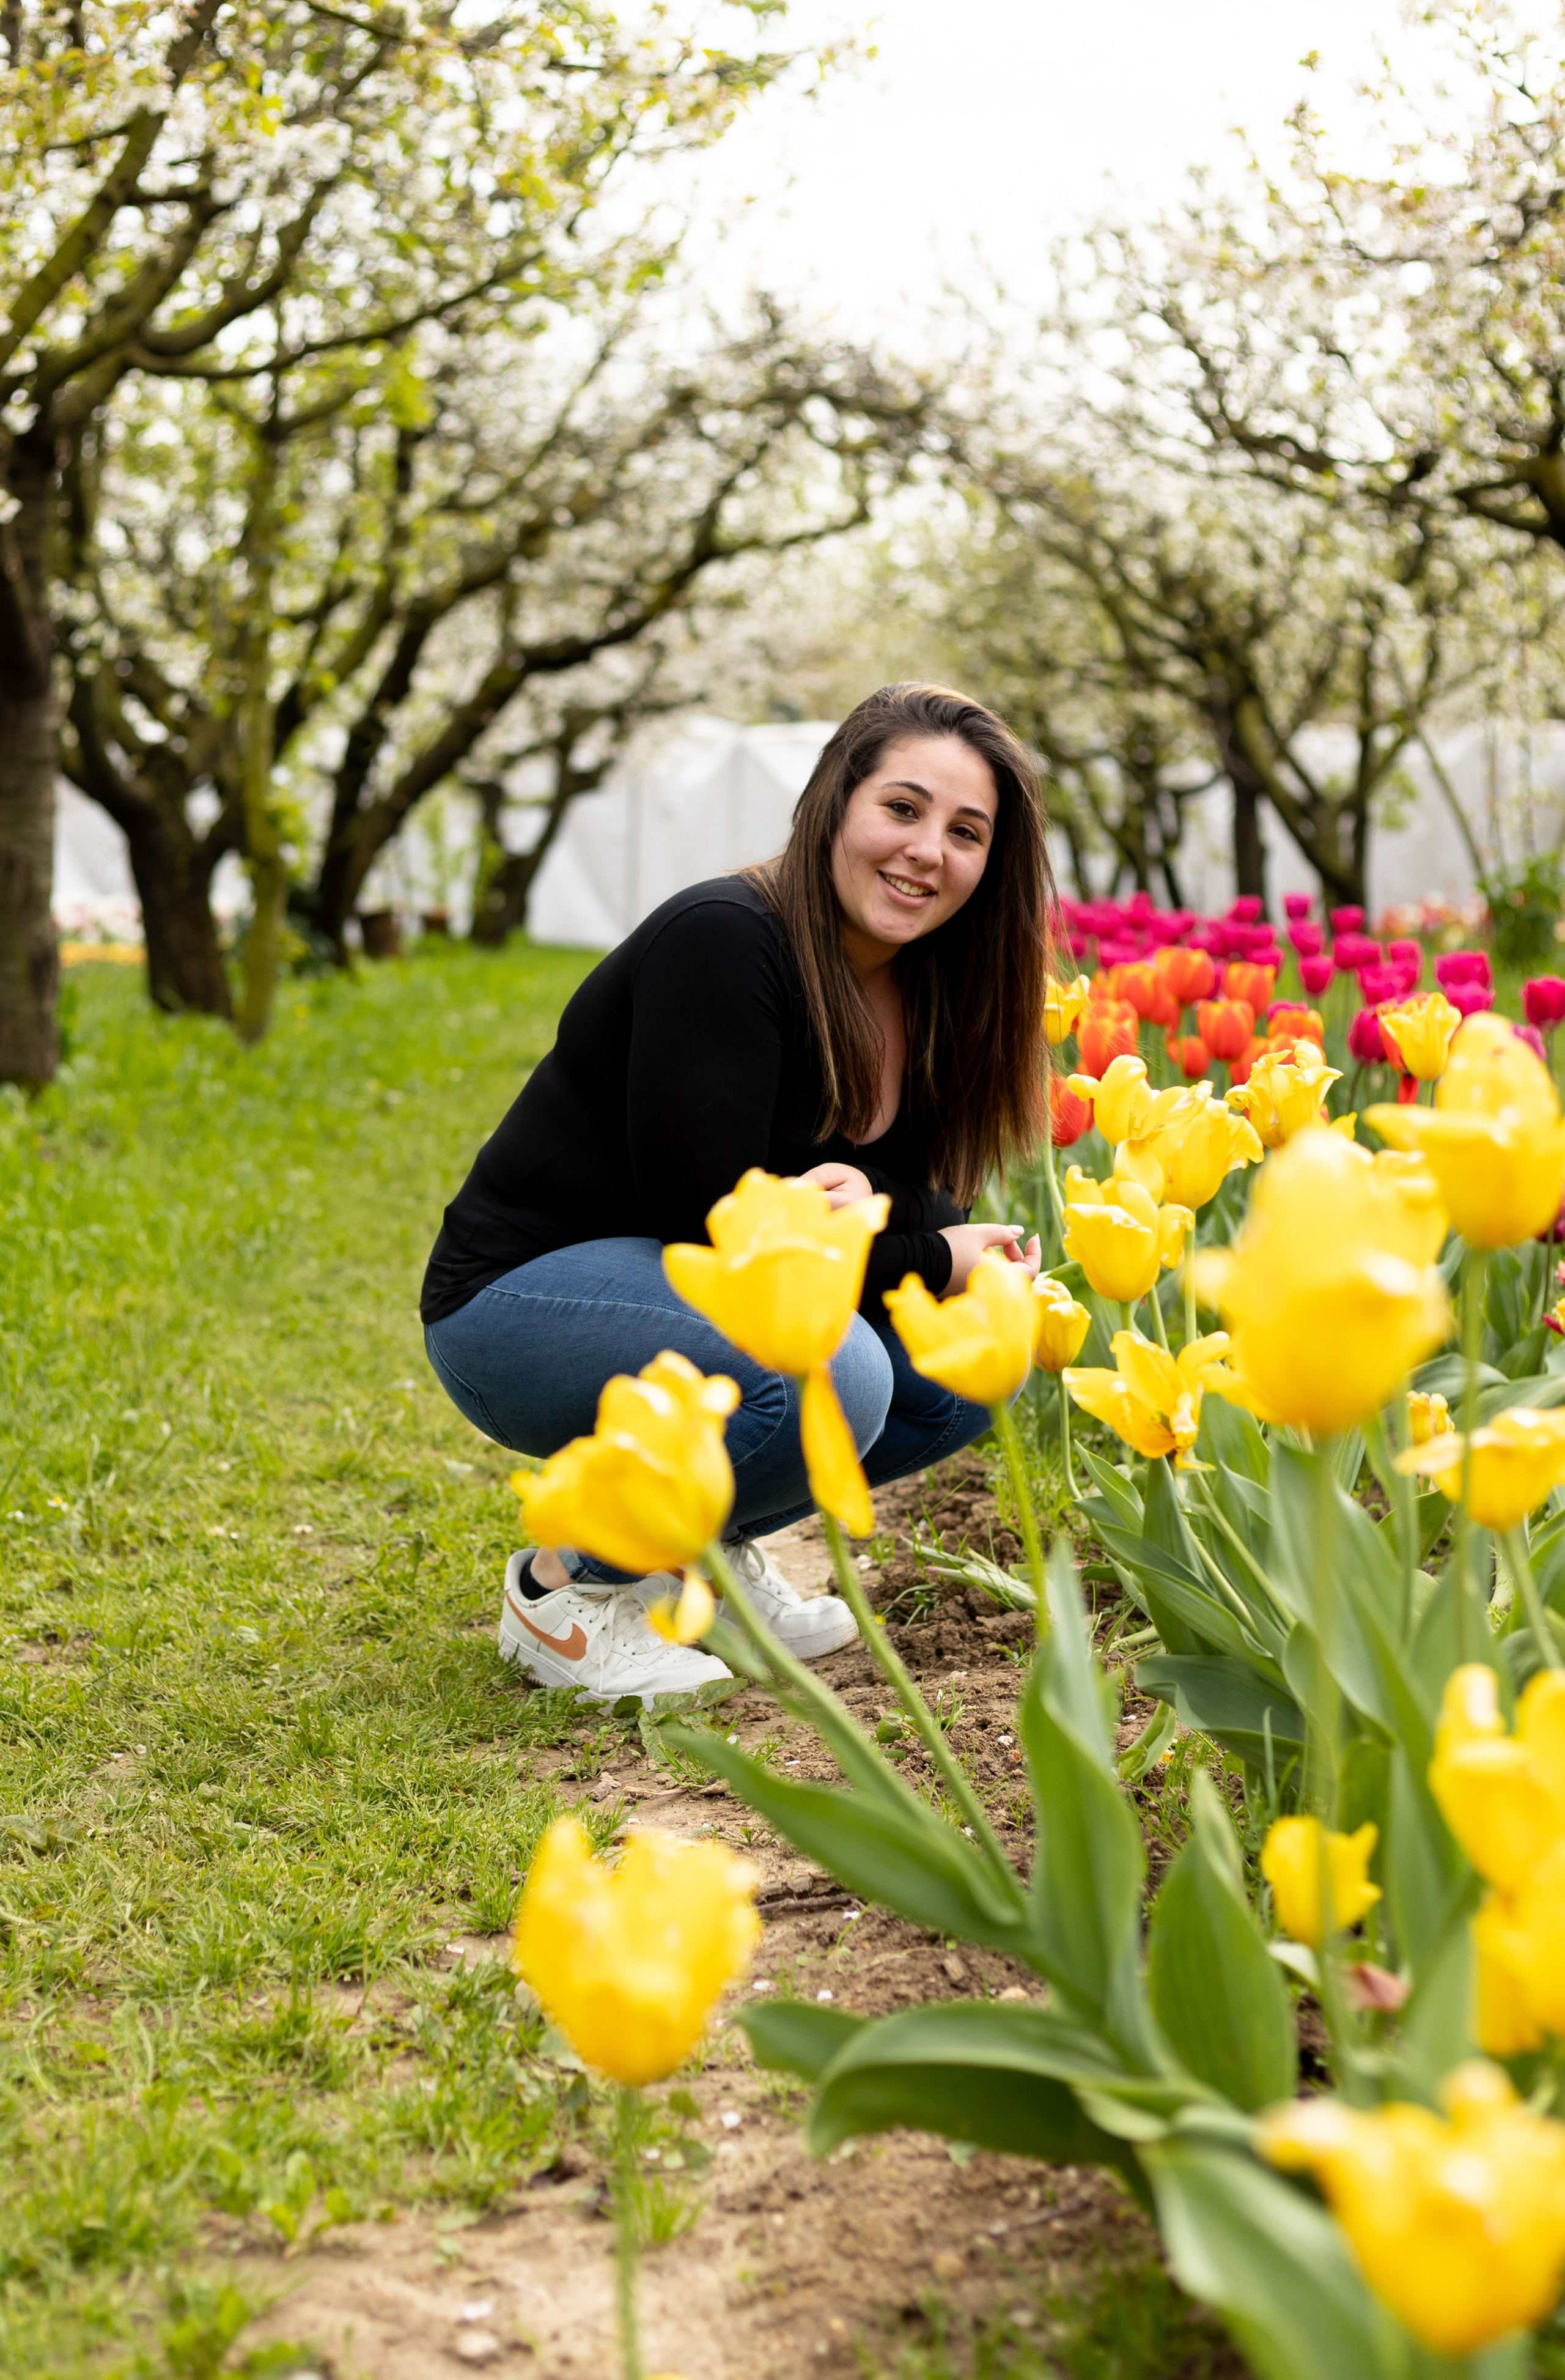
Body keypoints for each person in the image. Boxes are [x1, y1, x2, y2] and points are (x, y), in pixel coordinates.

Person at [421, 682, 1056, 1704]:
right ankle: (564, 1591)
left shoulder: (936, 991)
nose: (927, 850)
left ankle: (698, 1560)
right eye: (902, 808)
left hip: (679, 1297)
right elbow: (705, 1213)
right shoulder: (725, 938)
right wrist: (933, 1252)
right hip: (522, 1303)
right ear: (834, 804)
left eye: (966, 832)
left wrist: (930, 1242)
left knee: (972, 1358)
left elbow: (918, 1197)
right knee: (838, 1366)